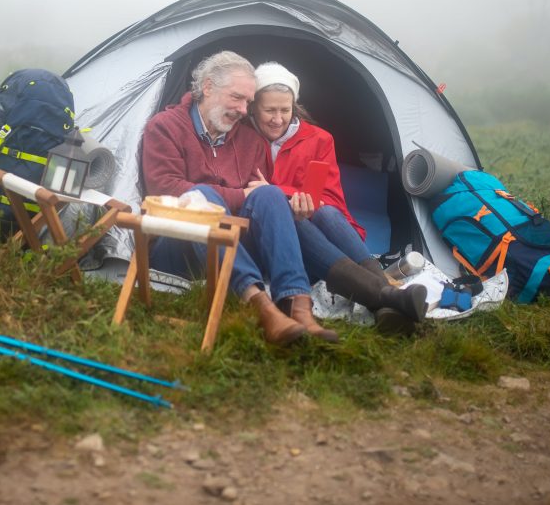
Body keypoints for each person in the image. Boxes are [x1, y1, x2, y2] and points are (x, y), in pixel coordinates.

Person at [141, 50, 339, 344]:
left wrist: (268, 200)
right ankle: (259, 305)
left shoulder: (251, 142)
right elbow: (166, 189)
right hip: (177, 243)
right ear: (208, 87)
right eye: (237, 98)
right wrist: (237, 195)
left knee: (270, 193)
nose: (244, 110)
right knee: (201, 194)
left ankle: (297, 305)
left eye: (248, 101)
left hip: (231, 249)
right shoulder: (165, 127)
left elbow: (257, 205)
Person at [250, 61, 427, 335]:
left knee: (326, 213)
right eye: (269, 110)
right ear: (254, 107)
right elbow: (252, 193)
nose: (277, 118)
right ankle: (386, 297)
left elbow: (331, 199)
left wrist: (307, 203)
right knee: (290, 219)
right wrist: (288, 199)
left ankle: (384, 302)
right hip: (273, 237)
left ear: (294, 107)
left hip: (324, 232)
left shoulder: (319, 140)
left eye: (284, 110)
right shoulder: (243, 139)